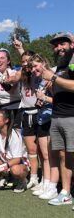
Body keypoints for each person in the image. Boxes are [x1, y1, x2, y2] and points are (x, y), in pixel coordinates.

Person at [43, 32, 74, 207]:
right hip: (58, 116)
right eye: (56, 45)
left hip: (72, 116)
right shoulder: (61, 65)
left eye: (63, 44)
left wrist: (54, 78)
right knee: (63, 156)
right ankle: (66, 192)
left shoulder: (72, 63)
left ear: (72, 44)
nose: (59, 48)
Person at [24, 54, 53, 198]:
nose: (34, 69)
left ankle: (51, 185)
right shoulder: (37, 79)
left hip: (52, 118)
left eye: (36, 66)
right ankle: (45, 182)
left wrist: (45, 98)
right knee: (44, 156)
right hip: (41, 118)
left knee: (49, 155)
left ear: (43, 63)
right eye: (32, 67)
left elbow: (61, 101)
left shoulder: (51, 77)